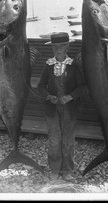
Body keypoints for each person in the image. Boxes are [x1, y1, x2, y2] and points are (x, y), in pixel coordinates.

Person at [37, 32, 88, 182]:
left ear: (67, 46)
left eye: (61, 46)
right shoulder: (48, 65)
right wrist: (48, 96)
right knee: (54, 140)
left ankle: (67, 170)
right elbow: (40, 86)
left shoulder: (74, 65)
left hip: (69, 110)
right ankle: (54, 169)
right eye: (55, 47)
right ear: (52, 48)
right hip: (52, 110)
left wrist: (70, 96)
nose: (58, 49)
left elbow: (82, 86)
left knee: (67, 140)